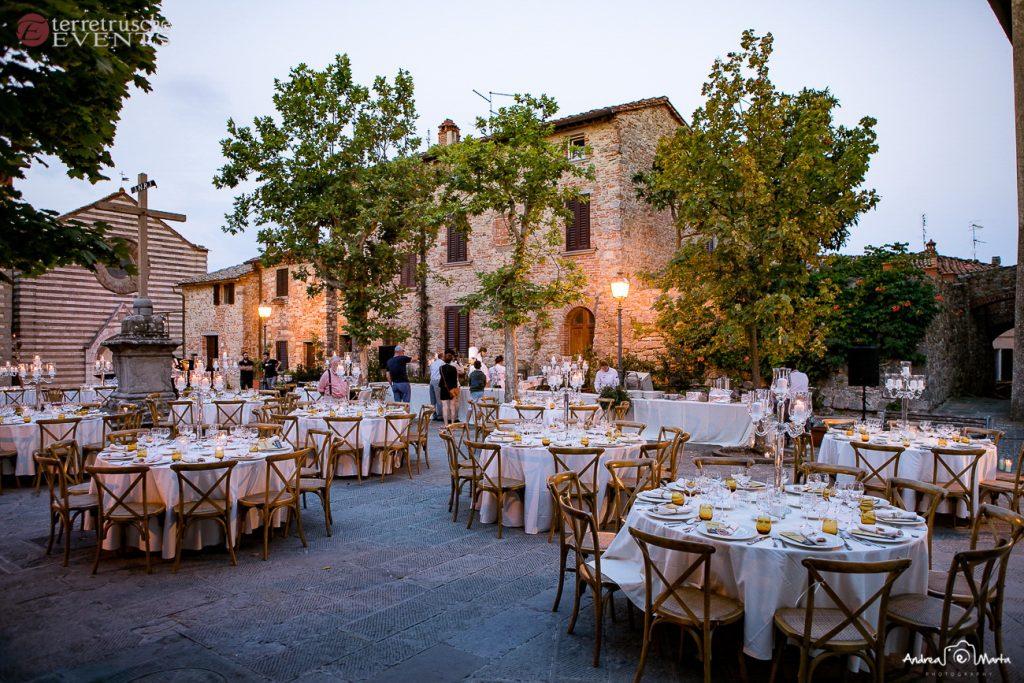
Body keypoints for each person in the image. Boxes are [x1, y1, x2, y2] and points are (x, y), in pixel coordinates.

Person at [438, 351, 460, 424]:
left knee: (445, 407)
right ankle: (452, 423)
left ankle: (446, 424)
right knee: (452, 406)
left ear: (444, 359)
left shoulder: (441, 368)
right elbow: (455, 379)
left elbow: (442, 377)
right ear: (451, 360)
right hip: (452, 388)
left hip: (443, 388)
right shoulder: (453, 368)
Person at [428, 350, 445, 421]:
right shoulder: (442, 363)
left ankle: (433, 414)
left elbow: (430, 372)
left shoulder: (433, 363)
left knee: (433, 400)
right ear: (442, 357)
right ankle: (440, 416)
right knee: (439, 399)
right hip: (438, 381)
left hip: (431, 381)